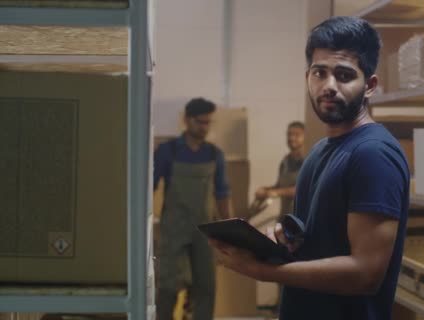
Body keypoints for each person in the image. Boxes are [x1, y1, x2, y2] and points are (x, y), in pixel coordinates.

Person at [209, 16, 410, 320]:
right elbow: (320, 239)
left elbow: (366, 274)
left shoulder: (373, 154)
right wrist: (285, 242)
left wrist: (265, 271)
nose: (329, 86)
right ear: (308, 77)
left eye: (344, 75)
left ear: (369, 86)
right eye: (320, 73)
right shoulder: (318, 152)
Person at [154, 97, 231, 320]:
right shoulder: (168, 151)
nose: (204, 127)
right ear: (186, 120)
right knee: (168, 286)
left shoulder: (214, 155)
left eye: (208, 123)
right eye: (200, 122)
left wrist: (230, 231)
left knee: (206, 286)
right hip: (174, 229)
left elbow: (222, 194)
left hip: (204, 231)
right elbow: (148, 186)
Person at [252, 121, 306, 218]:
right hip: (285, 217)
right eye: (289, 134)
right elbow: (279, 186)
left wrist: (275, 193)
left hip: (301, 220)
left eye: (297, 135)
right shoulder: (285, 161)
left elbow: (302, 190)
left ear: (305, 137)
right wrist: (265, 190)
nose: (292, 138)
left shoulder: (308, 161)